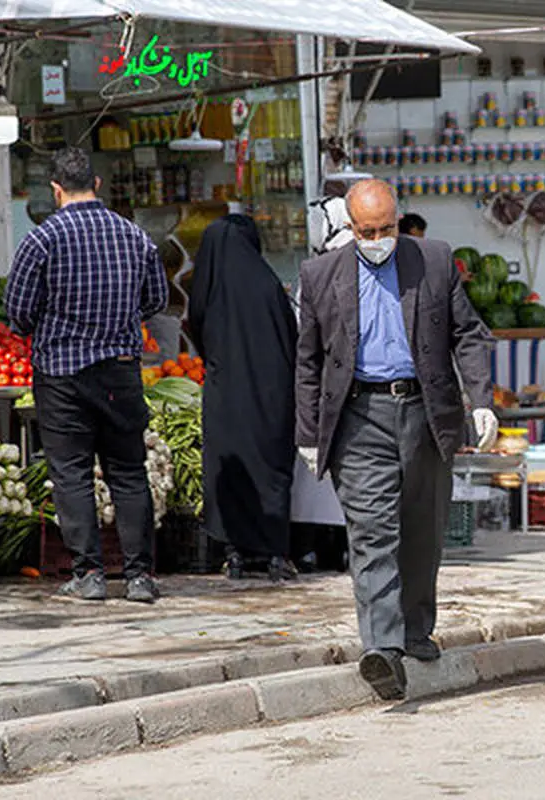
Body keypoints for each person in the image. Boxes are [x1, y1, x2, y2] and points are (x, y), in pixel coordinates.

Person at [295, 179, 498, 700]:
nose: (379, 238)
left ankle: (414, 630)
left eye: (386, 228)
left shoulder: (431, 260)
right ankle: (383, 651)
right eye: (368, 231)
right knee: (372, 532)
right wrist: (310, 432)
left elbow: (468, 334)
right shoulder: (321, 275)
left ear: (398, 219)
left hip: (424, 411)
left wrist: (480, 400)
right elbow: (309, 360)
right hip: (358, 415)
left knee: (422, 529)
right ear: (349, 228)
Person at [5, 146, 167, 604]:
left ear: (56, 190)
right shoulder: (134, 236)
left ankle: (89, 574)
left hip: (61, 375)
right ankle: (139, 578)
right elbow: (156, 300)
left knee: (72, 473)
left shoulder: (42, 239)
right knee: (129, 471)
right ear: (96, 184)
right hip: (120, 373)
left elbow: (17, 313)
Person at [189, 215, 299, 582]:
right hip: (272, 395)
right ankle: (274, 551)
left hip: (226, 396)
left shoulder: (210, 290)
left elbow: (199, 330)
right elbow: (291, 339)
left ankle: (234, 551)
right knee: (270, 470)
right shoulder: (268, 285)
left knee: (230, 470)